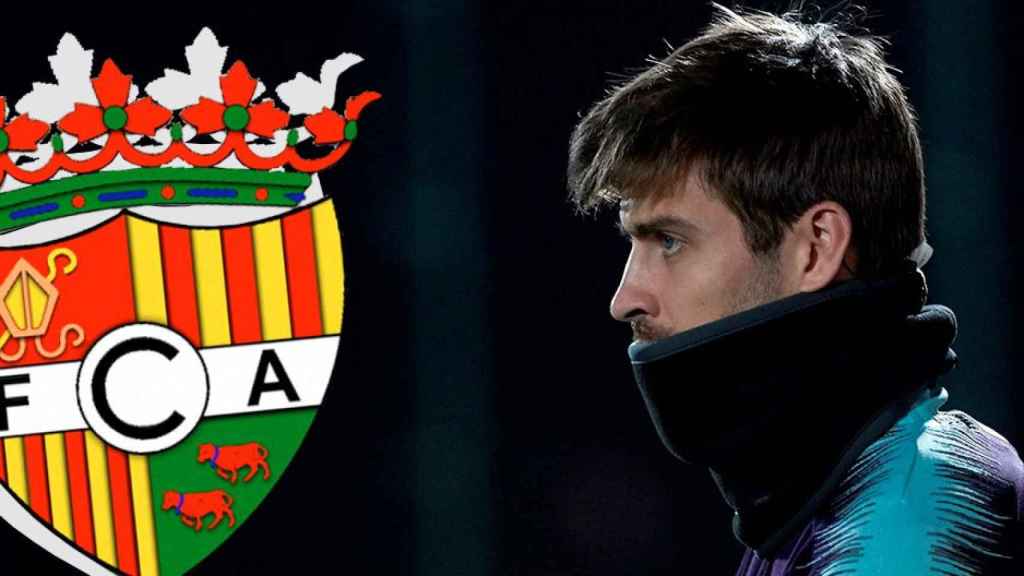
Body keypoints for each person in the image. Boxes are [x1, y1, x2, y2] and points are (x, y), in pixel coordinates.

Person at [567, 4, 1024, 575]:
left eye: (670, 240)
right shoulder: (821, 502)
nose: (625, 298)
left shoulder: (905, 527)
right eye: (634, 242)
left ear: (816, 246)